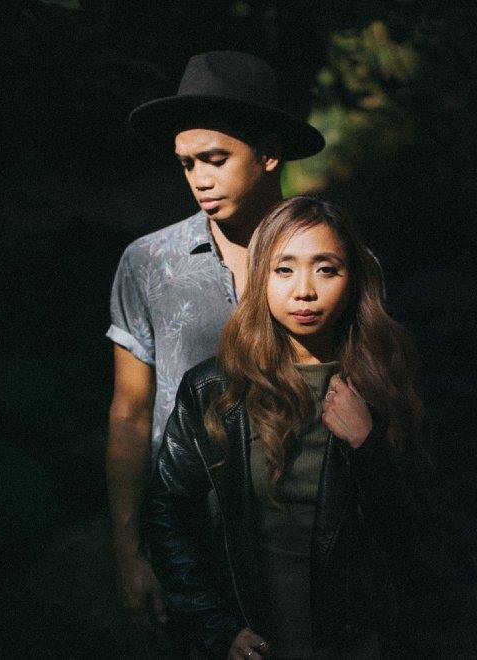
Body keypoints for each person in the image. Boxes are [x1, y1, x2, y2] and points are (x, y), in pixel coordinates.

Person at [145, 197, 441, 658]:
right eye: (284, 269)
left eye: (326, 270)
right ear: (260, 277)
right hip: (251, 642)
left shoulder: (384, 384)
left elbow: (415, 531)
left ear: (353, 279)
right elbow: (168, 514)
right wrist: (219, 628)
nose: (304, 290)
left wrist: (367, 444)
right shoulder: (214, 390)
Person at [106, 52, 325, 633]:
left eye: (215, 159)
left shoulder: (330, 262)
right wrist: (129, 552)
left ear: (269, 153)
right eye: (186, 163)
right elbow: (130, 413)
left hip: (307, 539)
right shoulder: (148, 263)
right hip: (188, 540)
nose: (199, 179)